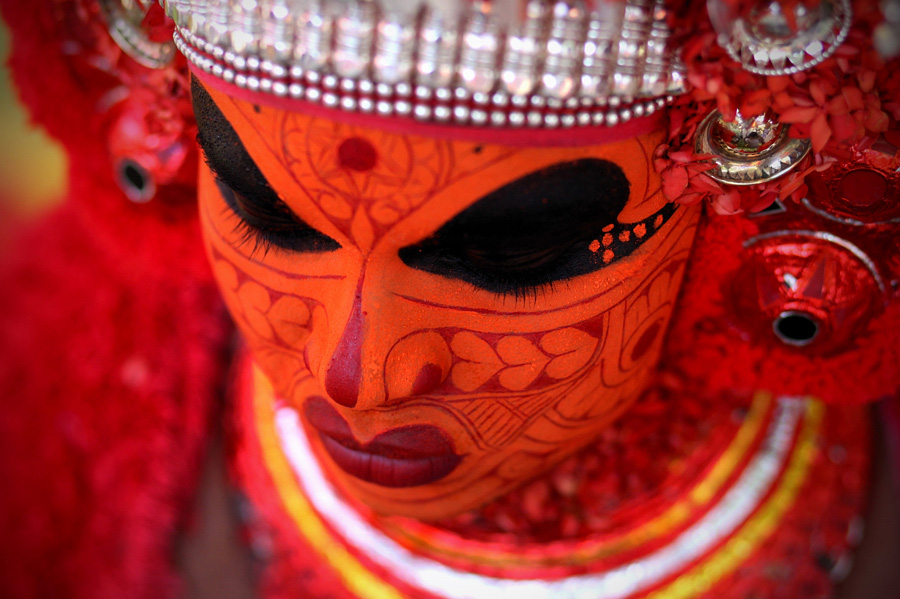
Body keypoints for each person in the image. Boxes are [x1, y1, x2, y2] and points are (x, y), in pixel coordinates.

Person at [0, 1, 898, 598]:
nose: (355, 373)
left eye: (513, 250)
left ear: (740, 194)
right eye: (264, 208)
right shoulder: (36, 401)